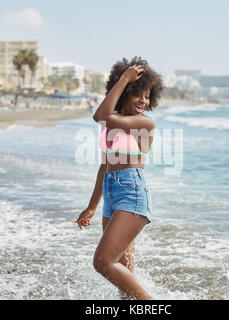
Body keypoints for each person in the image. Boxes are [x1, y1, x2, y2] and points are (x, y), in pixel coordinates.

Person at [76, 57, 164, 300]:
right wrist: (92, 207)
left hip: (132, 193)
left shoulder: (144, 123)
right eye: (138, 94)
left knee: (104, 262)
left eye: (147, 96)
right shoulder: (114, 124)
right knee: (123, 273)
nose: (143, 101)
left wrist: (126, 77)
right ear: (124, 93)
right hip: (113, 195)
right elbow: (105, 166)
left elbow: (100, 115)